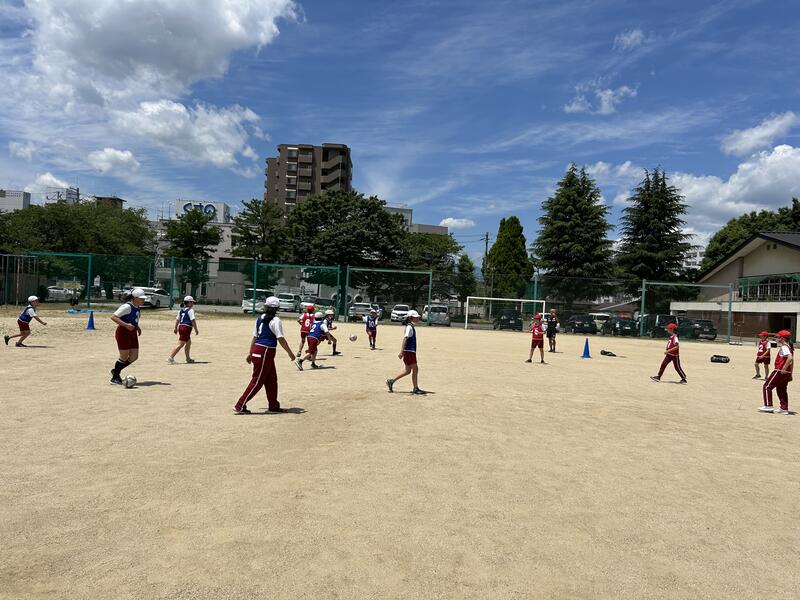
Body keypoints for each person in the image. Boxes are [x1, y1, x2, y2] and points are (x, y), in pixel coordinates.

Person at [234, 296, 296, 414]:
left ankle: (273, 406)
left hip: (260, 351)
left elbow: (255, 337)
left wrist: (250, 353)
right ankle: (240, 405)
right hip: (265, 352)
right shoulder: (275, 320)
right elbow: (281, 339)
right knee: (257, 381)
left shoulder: (260, 318)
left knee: (271, 380)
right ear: (277, 308)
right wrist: (290, 353)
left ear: (266, 307)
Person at [109, 288, 146, 385]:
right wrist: (126, 325)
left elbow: (133, 319)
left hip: (132, 333)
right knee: (124, 356)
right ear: (135, 298)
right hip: (123, 333)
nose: (143, 300)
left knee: (134, 356)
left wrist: (137, 327)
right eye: (141, 298)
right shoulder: (127, 306)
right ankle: (115, 377)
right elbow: (113, 317)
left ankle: (116, 370)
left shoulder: (137, 306)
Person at [386, 310, 426, 395]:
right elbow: (405, 338)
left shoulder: (410, 326)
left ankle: (391, 381)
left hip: (410, 351)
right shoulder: (409, 327)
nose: (417, 318)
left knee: (407, 370)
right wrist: (401, 351)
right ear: (410, 318)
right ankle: (415, 388)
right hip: (409, 351)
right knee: (415, 369)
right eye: (415, 317)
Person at [760, 330, 794, 414]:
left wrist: (784, 368)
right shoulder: (789, 347)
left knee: (767, 386)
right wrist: (790, 373)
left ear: (782, 338)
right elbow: (792, 361)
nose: (777, 338)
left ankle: (768, 406)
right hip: (787, 372)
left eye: (779, 337)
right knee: (781, 389)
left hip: (780, 370)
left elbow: (790, 358)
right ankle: (784, 408)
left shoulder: (784, 347)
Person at [168, 296, 199, 364]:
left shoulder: (181, 310)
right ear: (188, 303)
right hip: (186, 328)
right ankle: (171, 358)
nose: (192, 304)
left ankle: (188, 358)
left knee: (188, 343)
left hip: (181, 327)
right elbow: (193, 320)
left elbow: (177, 320)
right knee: (180, 344)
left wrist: (175, 328)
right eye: (192, 302)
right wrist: (196, 329)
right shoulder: (190, 310)